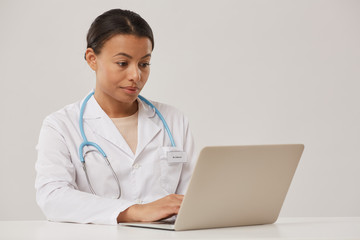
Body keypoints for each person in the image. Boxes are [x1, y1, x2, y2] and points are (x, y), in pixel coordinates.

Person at [35, 9, 196, 225]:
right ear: (92, 59)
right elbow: (52, 197)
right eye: (122, 63)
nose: (135, 76)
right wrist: (134, 211)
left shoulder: (173, 119)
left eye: (144, 64)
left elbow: (194, 197)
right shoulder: (61, 126)